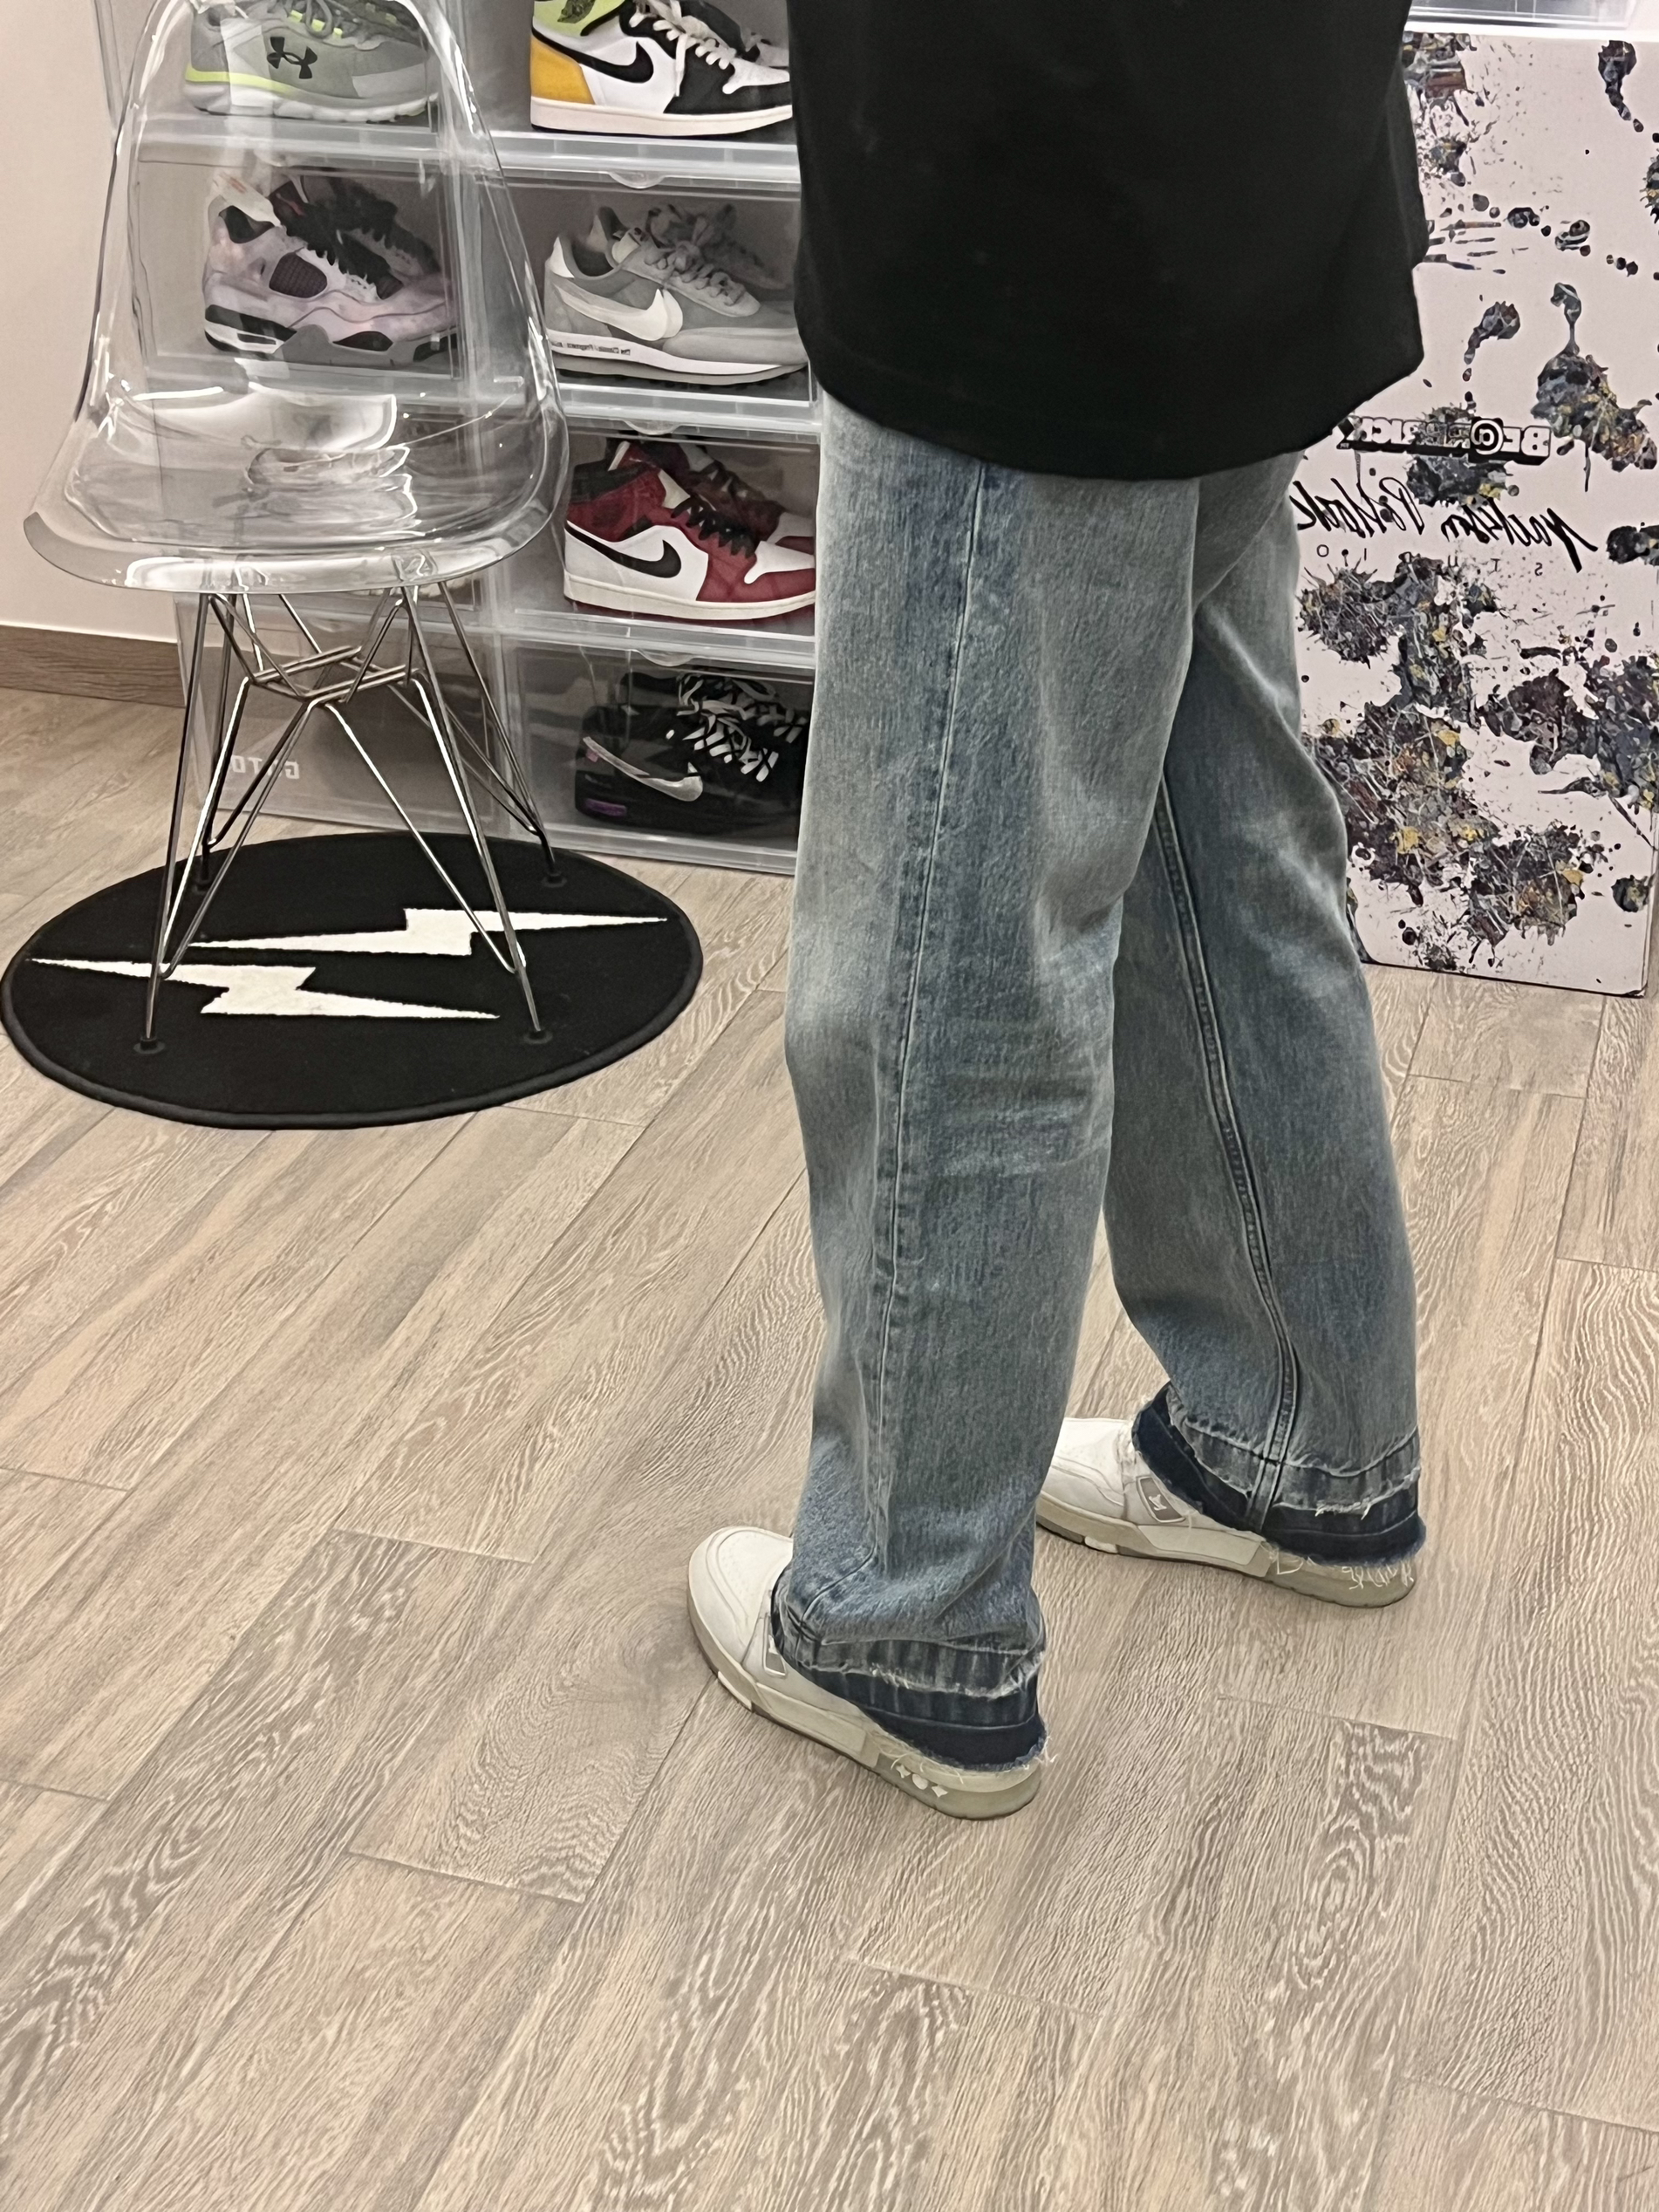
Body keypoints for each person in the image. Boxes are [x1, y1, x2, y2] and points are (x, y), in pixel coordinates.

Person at [688, 2, 1430, 1819]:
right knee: (1213, 830)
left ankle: (908, 1619)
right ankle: (1297, 1434)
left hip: (1028, 171)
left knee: (954, 943)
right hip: (1254, 133)